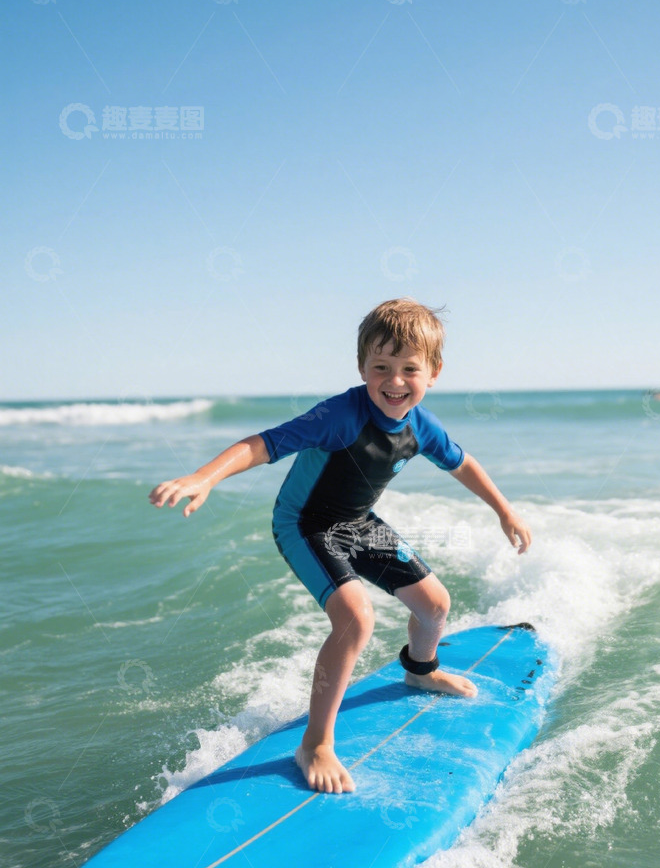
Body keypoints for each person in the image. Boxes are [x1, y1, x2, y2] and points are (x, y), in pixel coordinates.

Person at [148, 298, 532, 795]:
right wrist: (204, 477)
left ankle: (420, 670)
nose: (394, 381)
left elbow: (463, 464)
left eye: (408, 369)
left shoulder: (422, 426)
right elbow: (263, 443)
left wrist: (504, 510)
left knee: (435, 604)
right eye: (381, 367)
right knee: (355, 618)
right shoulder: (339, 415)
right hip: (304, 524)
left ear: (433, 373)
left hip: (355, 522)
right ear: (362, 368)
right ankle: (315, 743)